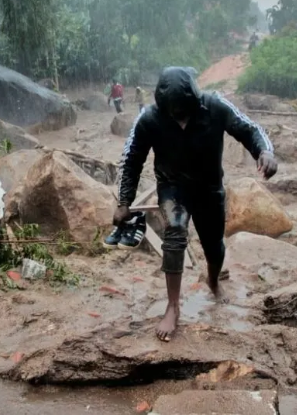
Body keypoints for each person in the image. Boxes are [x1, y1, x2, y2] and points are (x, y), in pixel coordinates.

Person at [112, 66, 277, 342]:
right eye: (173, 112)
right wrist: (124, 200)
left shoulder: (214, 105)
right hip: (172, 187)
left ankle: (212, 280)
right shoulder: (149, 118)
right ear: (163, 106)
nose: (179, 117)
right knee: (174, 233)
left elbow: (249, 128)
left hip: (209, 187)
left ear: (195, 101)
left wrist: (265, 151)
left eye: (184, 111)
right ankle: (173, 306)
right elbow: (131, 160)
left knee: (214, 246)